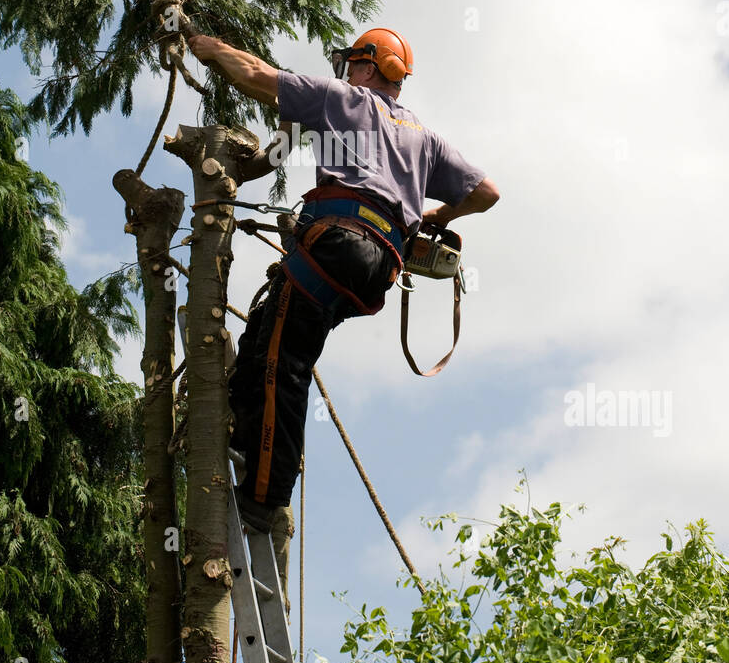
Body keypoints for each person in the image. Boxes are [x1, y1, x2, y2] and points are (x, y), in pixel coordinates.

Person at [184, 26, 499, 533]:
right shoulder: (426, 139)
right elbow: (486, 192)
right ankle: (246, 439)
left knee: (282, 361)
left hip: (338, 245)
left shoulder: (341, 100)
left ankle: (265, 497)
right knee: (266, 329)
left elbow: (255, 75)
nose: (348, 72)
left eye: (353, 63)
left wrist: (200, 41)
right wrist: (435, 218)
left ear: (370, 67)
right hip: (376, 269)